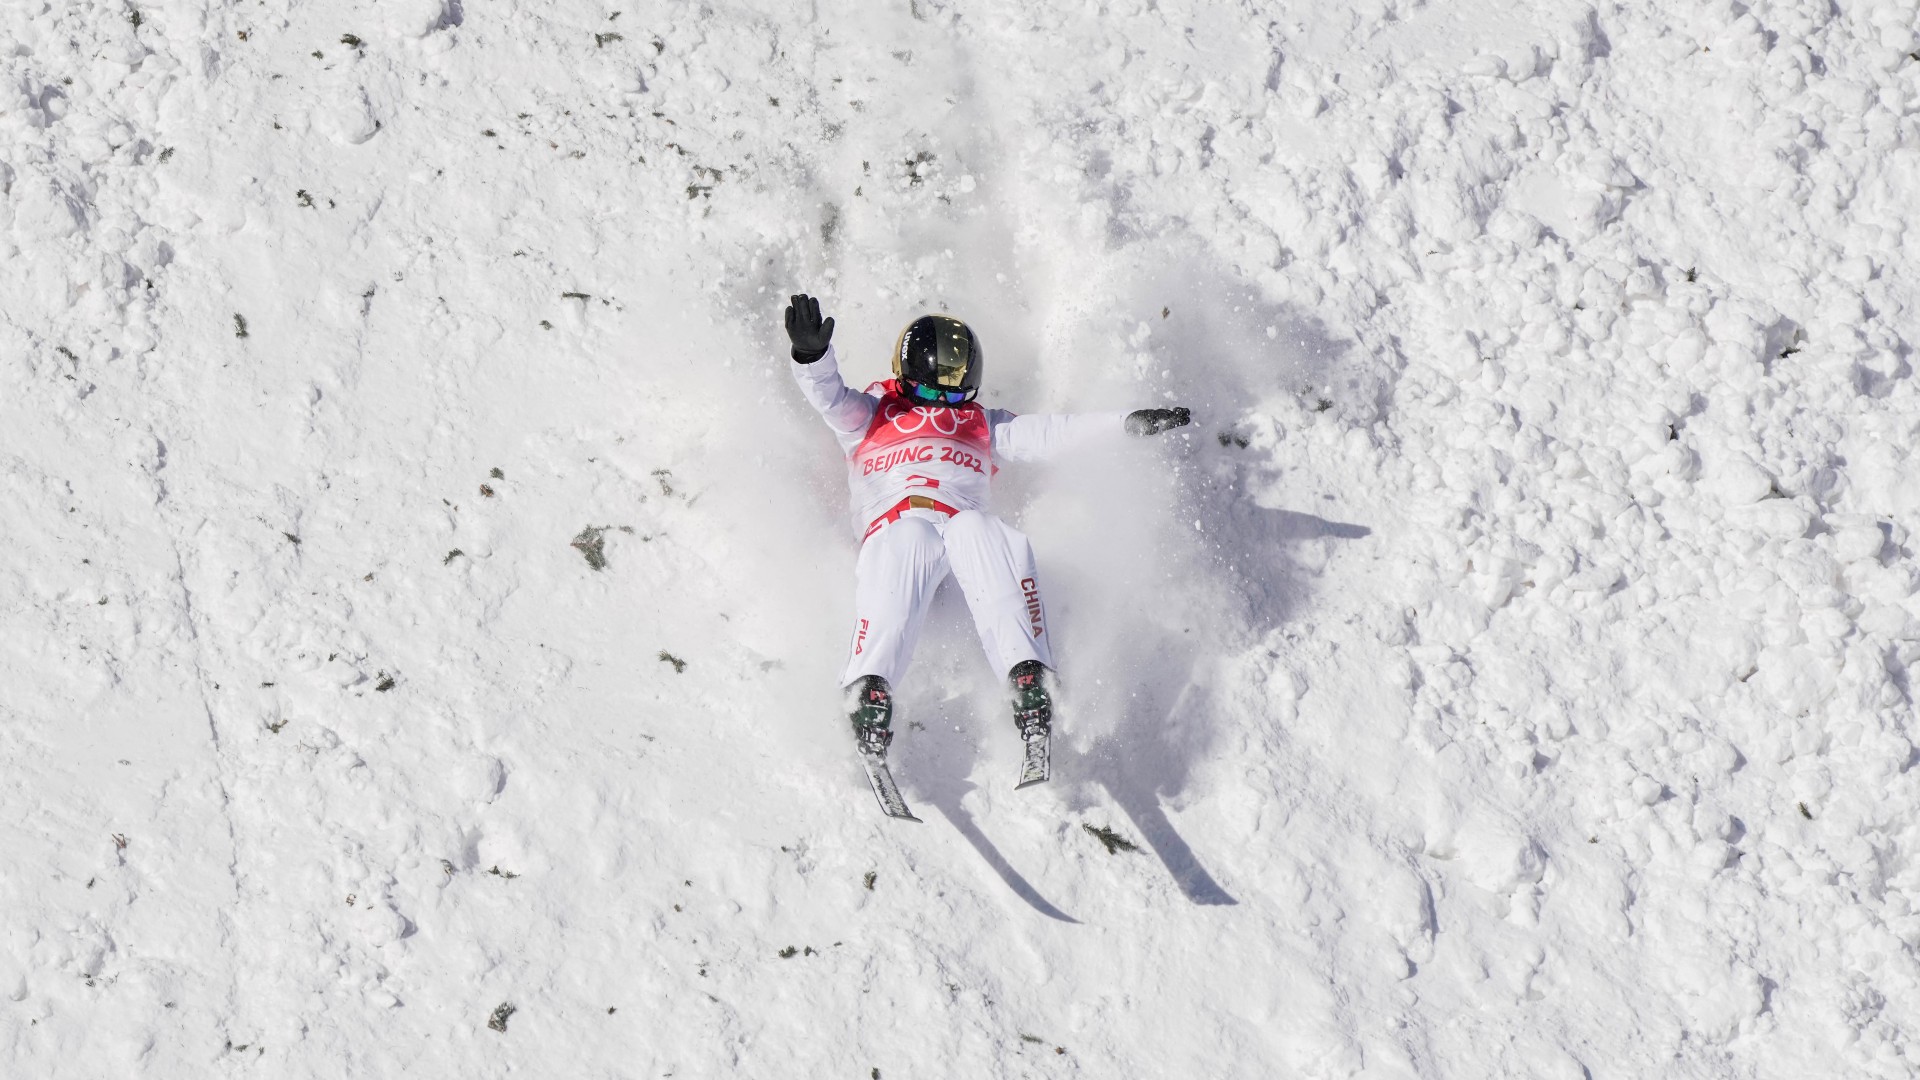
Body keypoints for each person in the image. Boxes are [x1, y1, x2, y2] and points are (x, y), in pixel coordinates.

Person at [784, 293, 1191, 772]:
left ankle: (1027, 677)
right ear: (906, 373)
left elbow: (1055, 433)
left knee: (979, 526)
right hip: (896, 549)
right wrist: (812, 356)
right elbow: (829, 396)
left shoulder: (982, 426)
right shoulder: (873, 413)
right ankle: (868, 688)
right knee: (911, 535)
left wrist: (1125, 423)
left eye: (955, 392)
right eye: (933, 392)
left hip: (964, 571)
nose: (944, 403)